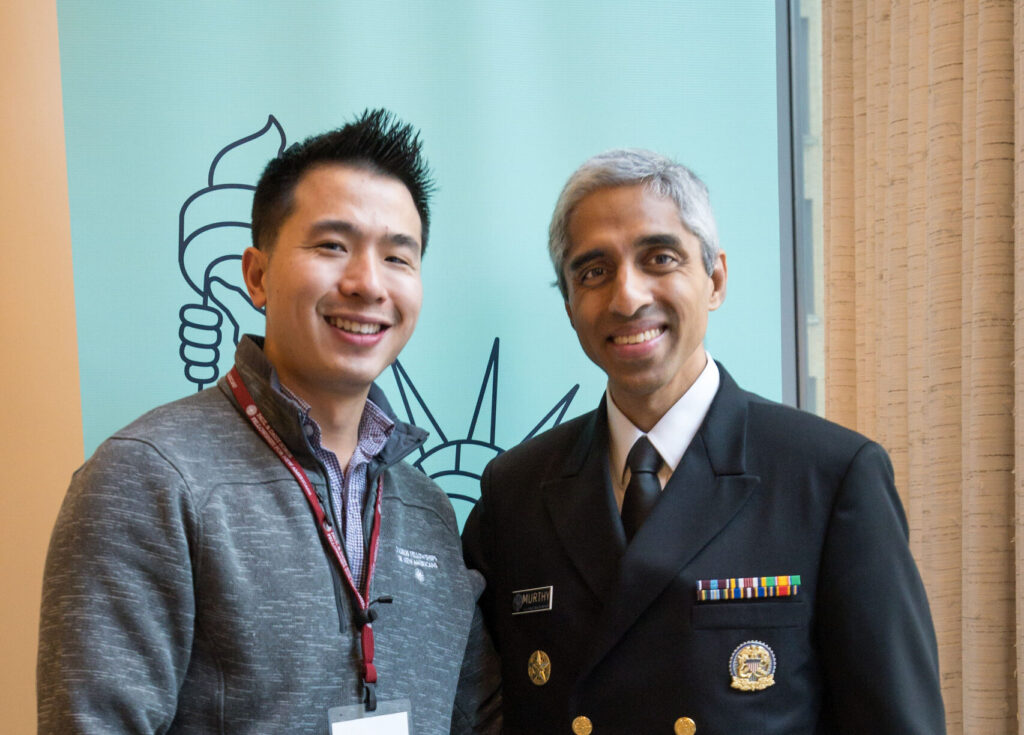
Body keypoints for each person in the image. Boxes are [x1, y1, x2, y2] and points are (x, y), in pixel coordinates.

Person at [38, 109, 501, 734]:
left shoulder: (427, 509)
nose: (368, 283)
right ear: (257, 275)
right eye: (333, 246)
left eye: (398, 257)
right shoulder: (150, 477)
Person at [463, 148, 944, 734]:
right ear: (568, 305)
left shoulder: (830, 475)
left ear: (714, 279)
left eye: (659, 258)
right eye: (593, 271)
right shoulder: (515, 491)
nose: (627, 297)